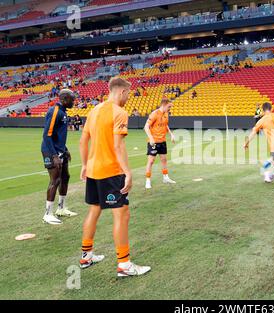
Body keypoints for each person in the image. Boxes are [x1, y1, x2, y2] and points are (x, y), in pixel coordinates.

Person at [79, 76, 151, 277]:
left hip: (93, 170)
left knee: (94, 210)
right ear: (121, 92)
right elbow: (118, 146)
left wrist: (85, 164)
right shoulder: (119, 112)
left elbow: (83, 140)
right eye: (128, 93)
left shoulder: (93, 111)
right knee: (122, 214)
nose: (128, 97)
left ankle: (86, 256)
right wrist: (128, 172)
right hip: (111, 172)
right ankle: (124, 264)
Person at [41, 89, 78, 225]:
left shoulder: (63, 112)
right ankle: (47, 214)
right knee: (55, 181)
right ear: (64, 99)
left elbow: (59, 135)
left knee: (65, 177)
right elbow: (47, 135)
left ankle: (61, 208)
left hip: (60, 151)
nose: (74, 102)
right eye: (71, 99)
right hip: (51, 152)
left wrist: (65, 150)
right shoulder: (55, 111)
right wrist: (54, 155)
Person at [144, 97, 176, 189]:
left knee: (164, 160)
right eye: (169, 107)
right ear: (164, 105)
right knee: (150, 161)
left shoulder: (166, 114)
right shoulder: (154, 114)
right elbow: (146, 127)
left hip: (162, 141)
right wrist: (151, 138)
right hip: (154, 142)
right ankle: (148, 180)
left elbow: (166, 125)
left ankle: (165, 177)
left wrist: (171, 134)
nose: (169, 109)